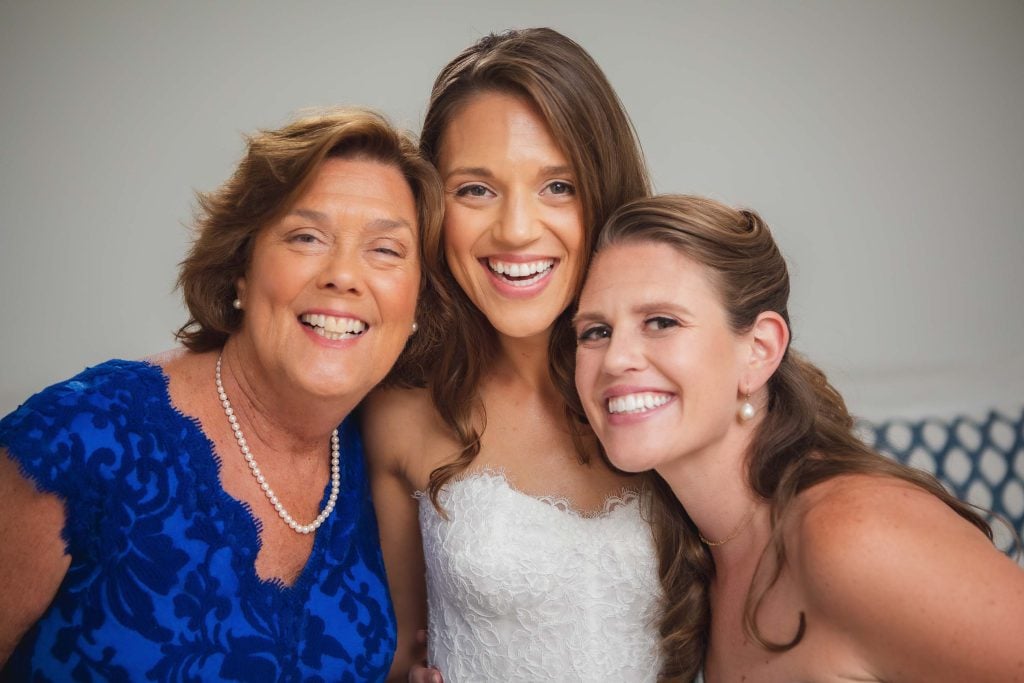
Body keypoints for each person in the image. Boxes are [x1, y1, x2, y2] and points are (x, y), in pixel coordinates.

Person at [0, 108, 443, 680]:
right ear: (242, 268)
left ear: (416, 307)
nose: (344, 275)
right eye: (307, 236)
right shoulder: (80, 437)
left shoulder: (381, 464)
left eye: (385, 250)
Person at [573, 194, 1024, 681]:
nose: (616, 359)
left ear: (760, 350)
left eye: (661, 322)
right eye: (595, 331)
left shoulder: (850, 535)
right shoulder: (697, 555)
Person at [362, 28, 662, 681]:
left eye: (558, 186)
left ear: (604, 192)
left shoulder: (679, 383)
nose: (518, 229)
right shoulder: (399, 414)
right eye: (476, 189)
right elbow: (396, 661)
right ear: (435, 208)